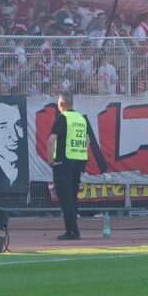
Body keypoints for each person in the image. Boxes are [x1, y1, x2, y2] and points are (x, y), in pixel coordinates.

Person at [48, 93, 101, 240]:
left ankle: (72, 231)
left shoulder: (62, 118)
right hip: (78, 161)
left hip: (63, 162)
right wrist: (81, 151)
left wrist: (50, 160)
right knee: (72, 196)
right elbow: (88, 139)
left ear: (61, 105)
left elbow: (51, 140)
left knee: (65, 198)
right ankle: (73, 229)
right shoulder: (80, 118)